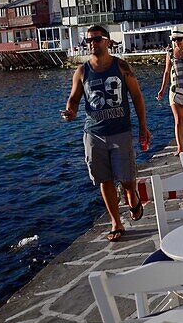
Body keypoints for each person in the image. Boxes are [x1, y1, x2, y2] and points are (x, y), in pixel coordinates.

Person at [61, 25, 150, 243]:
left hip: (121, 132)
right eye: (88, 40)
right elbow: (74, 98)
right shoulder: (82, 72)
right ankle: (116, 222)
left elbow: (137, 96)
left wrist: (143, 127)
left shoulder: (121, 66)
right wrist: (70, 111)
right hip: (94, 133)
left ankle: (133, 196)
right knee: (104, 179)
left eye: (97, 39)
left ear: (108, 41)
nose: (92, 43)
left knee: (127, 180)